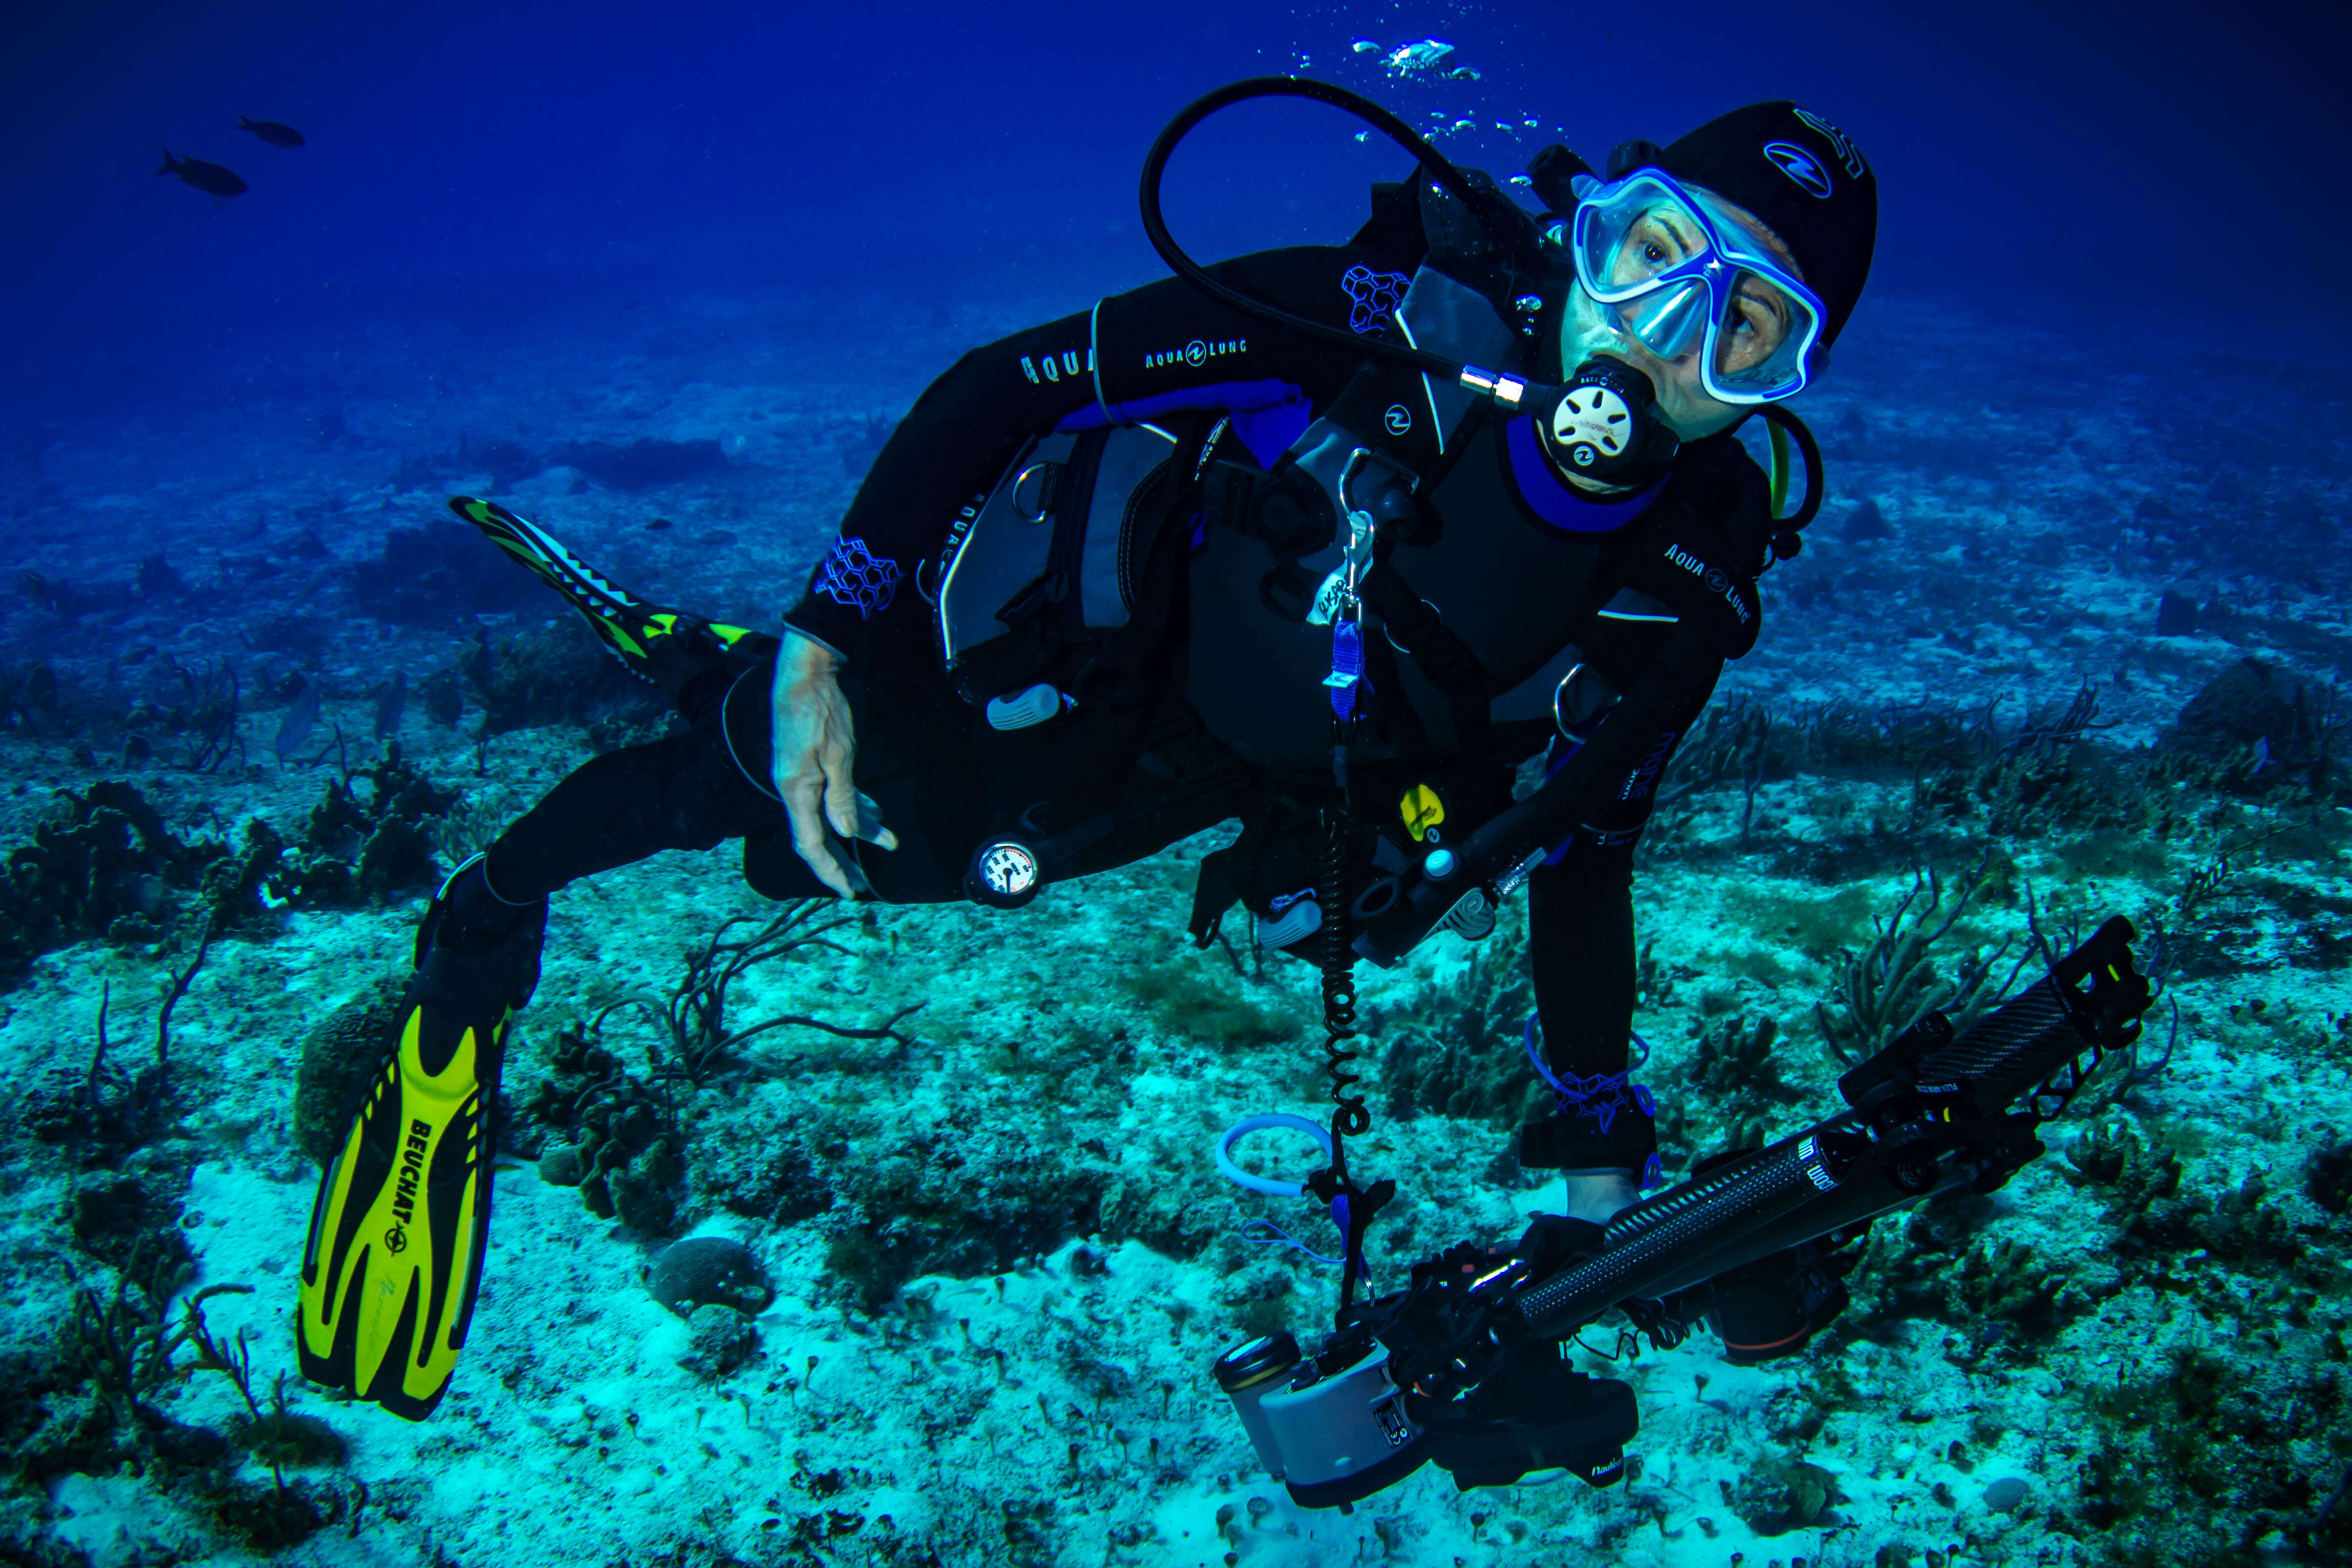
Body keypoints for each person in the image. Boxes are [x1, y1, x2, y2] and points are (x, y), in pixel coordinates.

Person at [296, 95, 1878, 1418]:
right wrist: (828, 635)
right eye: (1653, 251)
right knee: (787, 794)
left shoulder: (1684, 587)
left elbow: (1585, 847)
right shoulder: (1371, 328)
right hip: (1096, 635)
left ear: (1779, 388)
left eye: (1743, 326)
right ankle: (487, 921)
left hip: (1232, 767)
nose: (1659, 334)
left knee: (942, 874)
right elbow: (1006, 382)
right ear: (1593, 220)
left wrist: (1595, 1140)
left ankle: (752, 694)